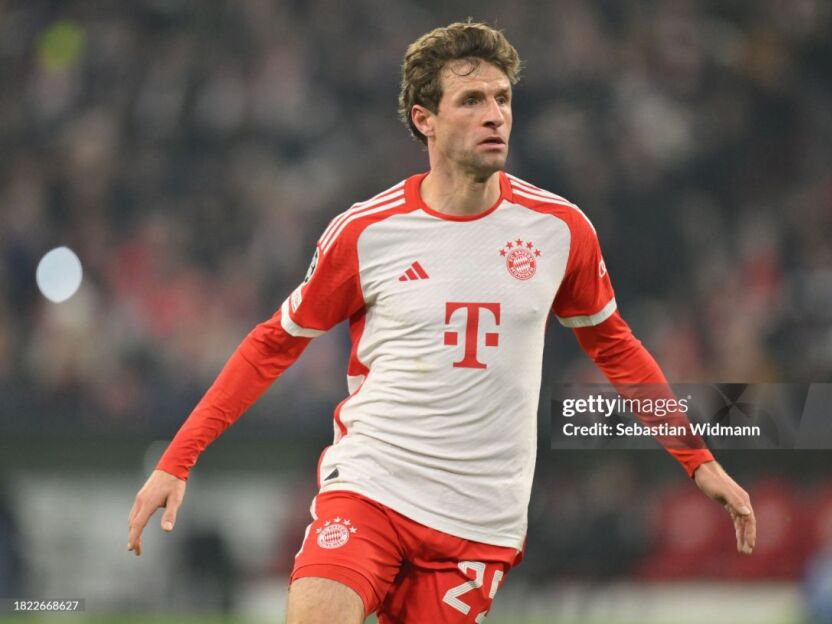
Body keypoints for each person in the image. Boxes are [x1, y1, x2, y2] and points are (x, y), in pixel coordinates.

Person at [127, 21, 756, 624]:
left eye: (503, 98)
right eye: (472, 100)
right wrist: (177, 460)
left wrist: (699, 461)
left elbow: (616, 349)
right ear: (424, 119)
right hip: (372, 486)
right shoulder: (367, 233)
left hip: (479, 519)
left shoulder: (560, 230)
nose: (495, 115)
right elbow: (273, 345)